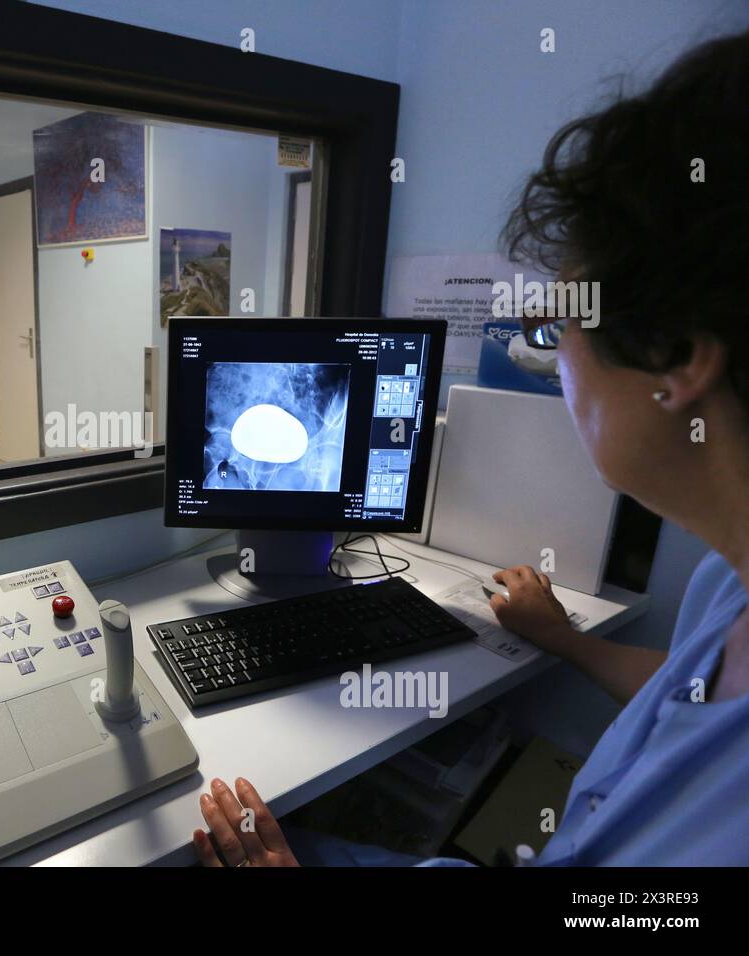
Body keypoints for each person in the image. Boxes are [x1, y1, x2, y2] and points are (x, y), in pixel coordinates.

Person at [192, 28, 749, 867]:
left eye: (557, 323)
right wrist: (569, 641)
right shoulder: (727, 580)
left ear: (674, 357)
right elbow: (692, 703)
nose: (556, 359)